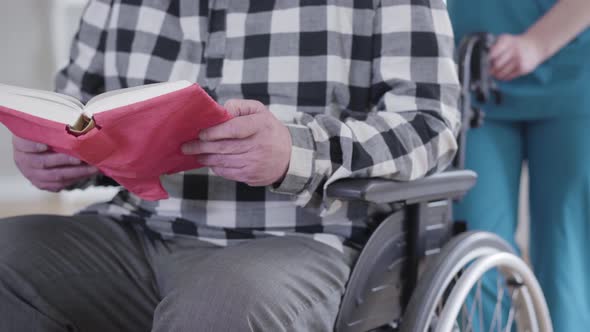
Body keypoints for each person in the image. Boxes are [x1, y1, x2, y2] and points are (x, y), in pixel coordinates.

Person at [0, 0, 460, 331]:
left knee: (221, 306)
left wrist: (296, 153)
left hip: (303, 236)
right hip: (140, 226)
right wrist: (56, 152)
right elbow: (81, 111)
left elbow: (431, 126)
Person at [448, 0, 590, 330]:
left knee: (565, 258)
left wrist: (536, 44)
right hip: (475, 73)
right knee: (475, 246)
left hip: (574, 77)